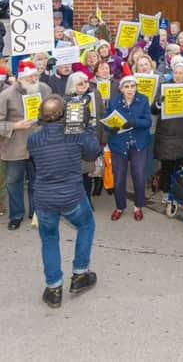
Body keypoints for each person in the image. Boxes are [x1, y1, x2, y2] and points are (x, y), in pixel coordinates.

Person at [27, 95, 99, 308]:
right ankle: (79, 274)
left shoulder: (34, 139)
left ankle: (53, 287)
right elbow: (92, 153)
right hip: (71, 196)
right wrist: (88, 127)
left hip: (44, 198)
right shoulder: (75, 134)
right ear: (65, 113)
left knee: (49, 239)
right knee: (86, 225)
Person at [0, 61, 52, 230]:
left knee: (37, 181)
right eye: (30, 76)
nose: (34, 79)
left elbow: (53, 112)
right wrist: (14, 126)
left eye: (36, 76)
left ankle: (36, 213)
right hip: (15, 147)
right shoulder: (6, 95)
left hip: (39, 145)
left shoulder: (44, 89)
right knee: (13, 182)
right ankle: (16, 216)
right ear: (21, 78)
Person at [103, 75, 152, 221]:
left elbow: (148, 122)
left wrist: (134, 122)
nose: (130, 89)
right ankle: (120, 206)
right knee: (118, 178)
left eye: (132, 86)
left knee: (138, 175)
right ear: (121, 88)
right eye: (127, 86)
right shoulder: (114, 101)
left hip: (138, 143)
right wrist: (110, 127)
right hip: (119, 143)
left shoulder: (143, 100)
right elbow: (106, 121)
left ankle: (138, 206)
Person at [151, 62, 183, 203]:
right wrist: (159, 103)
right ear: (172, 73)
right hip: (166, 133)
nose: (178, 75)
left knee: (180, 167)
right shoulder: (163, 87)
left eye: (181, 73)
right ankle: (166, 192)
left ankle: (178, 193)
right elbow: (153, 109)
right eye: (176, 73)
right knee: (166, 166)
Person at [64, 72, 105, 208]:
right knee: (76, 176)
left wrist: (102, 138)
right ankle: (76, 202)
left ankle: (87, 201)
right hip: (74, 143)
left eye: (86, 82)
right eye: (80, 83)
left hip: (91, 140)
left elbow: (102, 115)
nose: (84, 85)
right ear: (72, 86)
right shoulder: (66, 100)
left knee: (87, 175)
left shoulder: (95, 94)